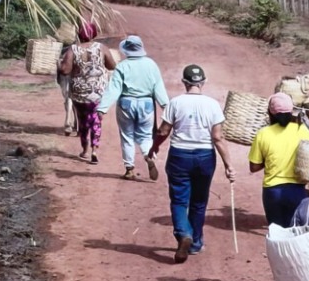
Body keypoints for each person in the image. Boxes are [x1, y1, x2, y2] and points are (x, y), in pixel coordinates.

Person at [147, 64, 235, 262]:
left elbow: (163, 131)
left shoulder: (175, 103)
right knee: (199, 201)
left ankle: (183, 233)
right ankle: (195, 243)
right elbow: (218, 138)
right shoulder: (212, 105)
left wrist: (154, 147)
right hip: (205, 157)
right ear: (202, 82)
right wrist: (229, 165)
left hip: (180, 155)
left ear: (184, 82)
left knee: (179, 200)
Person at [96, 35, 169, 181]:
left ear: (126, 50)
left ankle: (129, 169)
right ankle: (149, 156)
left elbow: (114, 89)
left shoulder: (122, 66)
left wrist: (102, 108)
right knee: (146, 136)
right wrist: (167, 106)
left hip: (126, 103)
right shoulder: (151, 65)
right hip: (146, 103)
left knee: (127, 136)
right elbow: (158, 88)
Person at [249, 92, 309, 227]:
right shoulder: (302, 130)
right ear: (292, 111)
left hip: (273, 191)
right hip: (298, 190)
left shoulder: (263, 134)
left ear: (270, 112)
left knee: (276, 233)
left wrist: (268, 159)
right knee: (297, 232)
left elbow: (254, 167)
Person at [58, 18, 116, 163]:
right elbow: (112, 66)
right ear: (93, 34)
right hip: (97, 93)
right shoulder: (101, 48)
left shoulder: (73, 49)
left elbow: (65, 70)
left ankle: (84, 150)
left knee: (83, 122)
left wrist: (59, 64)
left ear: (79, 34)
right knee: (96, 121)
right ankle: (94, 150)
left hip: (79, 94)